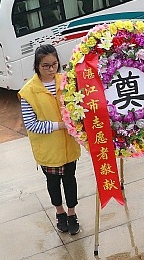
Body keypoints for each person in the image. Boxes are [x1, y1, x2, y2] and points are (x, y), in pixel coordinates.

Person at [18, 44, 82, 236]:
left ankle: (72, 213)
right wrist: (61, 125)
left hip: (68, 146)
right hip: (48, 148)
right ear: (37, 66)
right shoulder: (28, 92)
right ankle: (60, 212)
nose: (51, 69)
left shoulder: (66, 82)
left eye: (54, 64)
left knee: (70, 180)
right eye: (45, 66)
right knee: (53, 183)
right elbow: (32, 125)